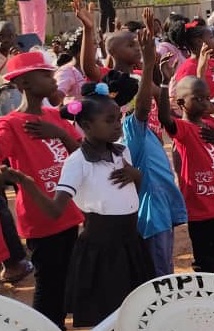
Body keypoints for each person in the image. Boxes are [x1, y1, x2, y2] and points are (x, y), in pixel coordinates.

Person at [3, 81, 153, 327]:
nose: (118, 125)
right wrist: (26, 183)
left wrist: (136, 175)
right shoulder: (77, 162)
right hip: (101, 249)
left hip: (129, 242)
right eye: (109, 120)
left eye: (119, 118)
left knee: (133, 307)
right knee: (106, 312)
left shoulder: (121, 152)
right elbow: (54, 210)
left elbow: (132, 194)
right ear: (85, 126)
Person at [0, 51, 84, 328]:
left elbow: (83, 155)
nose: (52, 79)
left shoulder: (54, 116)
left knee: (67, 277)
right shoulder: (11, 124)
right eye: (45, 75)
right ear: (23, 83)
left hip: (69, 211)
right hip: (41, 219)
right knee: (48, 284)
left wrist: (59, 133)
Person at [125, 24, 187, 277]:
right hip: (153, 214)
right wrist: (148, 63)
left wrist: (161, 81)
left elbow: (156, 112)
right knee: (159, 276)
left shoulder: (146, 131)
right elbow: (140, 110)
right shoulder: (131, 127)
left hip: (161, 204)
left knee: (163, 268)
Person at [159, 75, 214, 274]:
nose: (205, 103)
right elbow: (165, 118)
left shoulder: (211, 127)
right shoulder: (184, 129)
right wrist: (164, 82)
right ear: (181, 103)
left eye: (207, 98)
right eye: (198, 98)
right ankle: (208, 296)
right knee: (205, 260)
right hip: (199, 210)